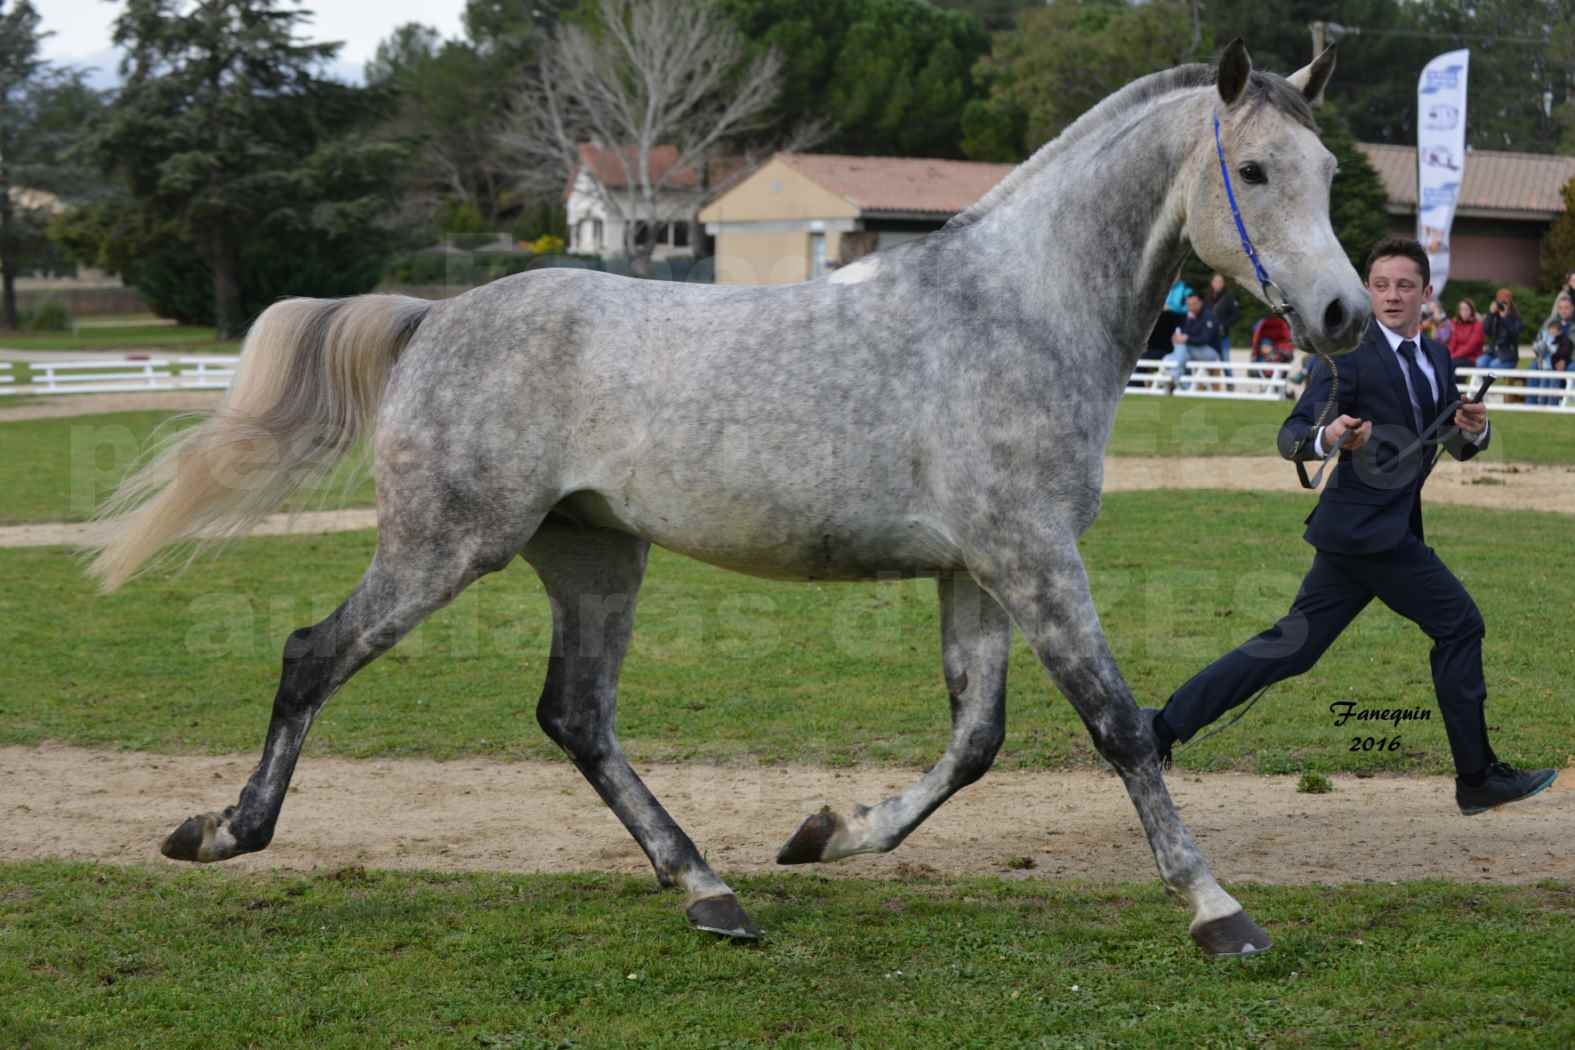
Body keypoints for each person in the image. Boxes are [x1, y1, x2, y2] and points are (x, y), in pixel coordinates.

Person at [1147, 237, 1557, 816]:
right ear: (1368, 290)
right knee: (1460, 624)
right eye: (1382, 285)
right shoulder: (1349, 357)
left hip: (1369, 535)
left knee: (1292, 647)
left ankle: (1160, 728)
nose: (1392, 296)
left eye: (1405, 285)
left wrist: (1474, 427)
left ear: (1427, 293)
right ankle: (1477, 776)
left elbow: (1452, 445)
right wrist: (1328, 437)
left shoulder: (1438, 357)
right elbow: (1292, 433)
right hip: (1370, 536)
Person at [1162, 291, 1221, 388]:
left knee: (1181, 347)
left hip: (1211, 352)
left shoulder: (1209, 316)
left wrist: (1185, 339)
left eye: (1194, 304)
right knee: (1168, 358)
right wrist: (1178, 337)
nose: (1191, 307)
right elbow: (1184, 333)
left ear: (1200, 303)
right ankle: (1183, 385)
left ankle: (1174, 376)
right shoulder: (1190, 316)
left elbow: (1205, 339)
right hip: (1192, 351)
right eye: (1189, 305)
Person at [1476, 288, 1522, 370]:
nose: (1502, 305)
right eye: (1500, 302)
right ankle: (1485, 383)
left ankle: (1487, 382)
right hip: (1493, 353)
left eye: (1505, 302)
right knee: (1480, 362)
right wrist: (1490, 314)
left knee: (1492, 366)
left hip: (1508, 356)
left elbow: (1514, 333)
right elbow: (1486, 331)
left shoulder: (1515, 318)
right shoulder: (1494, 316)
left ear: (1510, 303)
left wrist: (1505, 318)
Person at [1206, 273, 1240, 366]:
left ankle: (1229, 381)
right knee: (1209, 365)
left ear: (1223, 283)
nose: (1218, 283)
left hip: (1222, 336)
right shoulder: (1207, 298)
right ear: (1212, 283)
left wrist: (1224, 325)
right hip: (1209, 337)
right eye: (1216, 281)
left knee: (1225, 364)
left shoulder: (1229, 298)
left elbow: (1236, 315)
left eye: (1220, 281)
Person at [1249, 314, 1294, 380]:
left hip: (1277, 356)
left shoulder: (1280, 344)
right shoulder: (1265, 340)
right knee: (1267, 345)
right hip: (1268, 359)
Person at [1446, 298, 1483, 364]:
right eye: (1461, 309)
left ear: (1472, 311)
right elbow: (1452, 343)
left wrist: (1453, 356)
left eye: (1466, 309)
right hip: (1456, 356)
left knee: (1451, 363)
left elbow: (1470, 347)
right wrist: (1448, 355)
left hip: (1471, 357)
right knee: (1443, 362)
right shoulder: (1456, 324)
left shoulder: (1478, 325)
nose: (1464, 312)